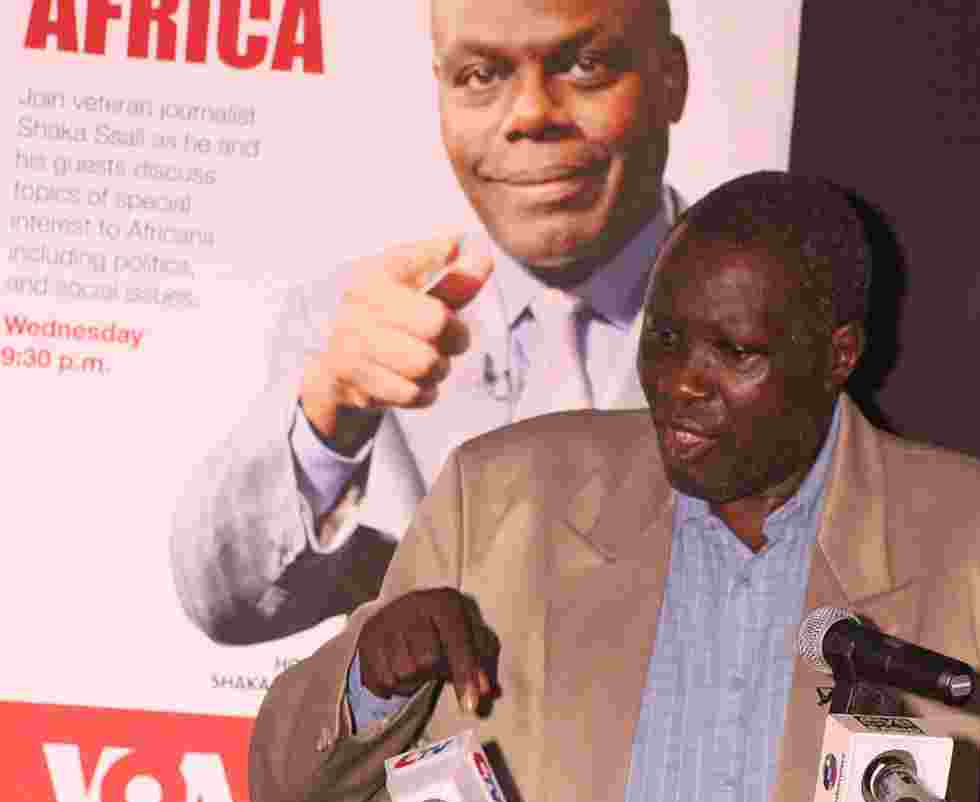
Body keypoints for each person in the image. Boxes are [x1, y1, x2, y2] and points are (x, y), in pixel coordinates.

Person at [248, 171, 980, 802]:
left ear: (838, 356)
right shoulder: (499, 498)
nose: (684, 381)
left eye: (736, 352)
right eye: (666, 339)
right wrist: (371, 681)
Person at [169, 0, 689, 644]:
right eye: (480, 76)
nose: (529, 114)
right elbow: (230, 603)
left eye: (585, 65)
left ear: (673, 80)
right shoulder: (357, 330)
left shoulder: (797, 319)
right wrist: (331, 414)